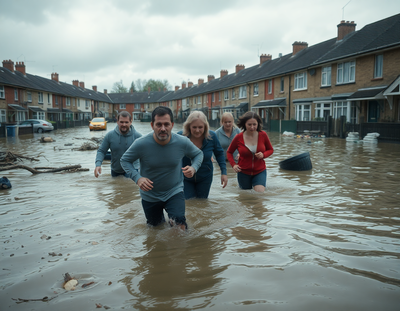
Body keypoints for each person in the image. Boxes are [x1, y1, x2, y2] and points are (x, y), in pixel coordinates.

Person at [120, 106, 203, 230]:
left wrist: (194, 168)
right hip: (150, 195)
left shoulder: (182, 142)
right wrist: (138, 178)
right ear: (152, 125)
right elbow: (124, 160)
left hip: (174, 191)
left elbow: (198, 154)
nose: (163, 129)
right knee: (155, 230)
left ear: (172, 125)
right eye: (159, 124)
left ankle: (181, 249)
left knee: (179, 226)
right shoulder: (141, 143)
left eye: (166, 124)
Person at [178, 111, 227, 199]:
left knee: (202, 203)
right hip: (185, 178)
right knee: (189, 202)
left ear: (205, 126)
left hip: (205, 177)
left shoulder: (212, 136)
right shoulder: (180, 137)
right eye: (194, 127)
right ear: (188, 126)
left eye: (200, 127)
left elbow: (219, 154)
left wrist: (224, 173)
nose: (197, 130)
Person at [227, 111, 273, 193]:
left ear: (258, 124)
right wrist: (233, 165)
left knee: (259, 194)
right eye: (249, 124)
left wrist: (263, 154)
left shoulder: (263, 135)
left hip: (260, 171)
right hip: (243, 172)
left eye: (254, 124)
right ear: (245, 124)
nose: (252, 127)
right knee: (246, 198)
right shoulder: (238, 137)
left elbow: (270, 150)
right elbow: (229, 152)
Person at [94, 111, 142, 178]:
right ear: (117, 122)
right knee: (116, 187)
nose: (124, 124)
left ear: (131, 122)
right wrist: (98, 165)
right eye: (121, 122)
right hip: (115, 170)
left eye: (126, 122)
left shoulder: (138, 137)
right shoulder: (110, 136)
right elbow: (101, 151)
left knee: (129, 187)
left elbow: (146, 154)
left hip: (133, 170)